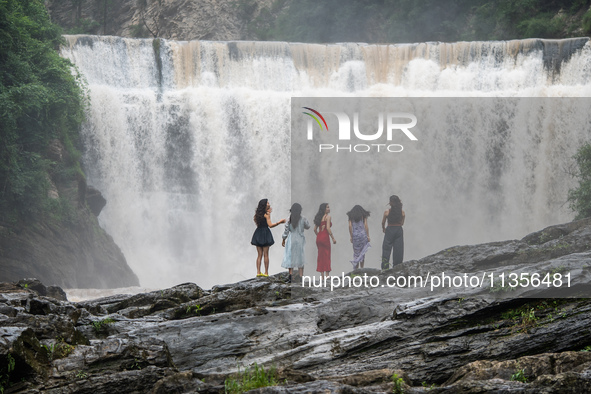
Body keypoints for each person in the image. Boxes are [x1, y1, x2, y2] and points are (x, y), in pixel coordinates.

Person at [251, 199, 286, 277]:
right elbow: (270, 225)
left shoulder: (257, 214)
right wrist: (279, 222)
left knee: (259, 255)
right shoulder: (266, 214)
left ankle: (258, 272)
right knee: (266, 254)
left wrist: (268, 211)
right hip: (265, 233)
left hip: (258, 233)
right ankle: (266, 272)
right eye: (267, 203)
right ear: (264, 205)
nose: (269, 203)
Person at [281, 203, 310, 283]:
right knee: (300, 256)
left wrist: (283, 239)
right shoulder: (303, 218)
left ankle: (290, 276)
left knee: (290, 256)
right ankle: (301, 277)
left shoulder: (289, 219)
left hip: (291, 238)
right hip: (300, 238)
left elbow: (286, 231)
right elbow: (308, 226)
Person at [381, 195, 405, 270]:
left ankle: (385, 267)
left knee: (386, 248)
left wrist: (384, 228)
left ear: (390, 202)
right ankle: (397, 266)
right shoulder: (402, 212)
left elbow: (383, 222)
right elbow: (402, 223)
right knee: (398, 248)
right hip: (398, 229)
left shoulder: (387, 212)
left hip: (390, 229)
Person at [314, 203, 336, 280]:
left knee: (320, 256)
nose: (329, 208)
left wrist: (319, 235)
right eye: (327, 207)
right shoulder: (328, 217)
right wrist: (333, 238)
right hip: (325, 237)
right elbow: (328, 228)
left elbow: (314, 229)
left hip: (319, 237)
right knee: (326, 255)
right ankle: (327, 275)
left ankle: (322, 276)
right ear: (324, 209)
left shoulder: (318, 217)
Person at [347, 205, 371, 270]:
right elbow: (366, 225)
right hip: (363, 235)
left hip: (355, 235)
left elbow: (350, 226)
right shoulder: (363, 216)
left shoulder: (351, 216)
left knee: (356, 253)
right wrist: (368, 235)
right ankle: (362, 268)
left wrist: (351, 236)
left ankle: (356, 269)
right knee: (362, 252)